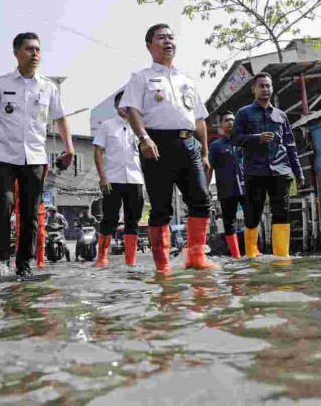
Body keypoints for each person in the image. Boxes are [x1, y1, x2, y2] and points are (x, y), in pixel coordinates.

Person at [0, 32, 74, 277]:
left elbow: (61, 118)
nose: (35, 53)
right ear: (17, 53)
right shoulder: (1, 84)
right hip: (2, 155)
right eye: (29, 49)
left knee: (30, 212)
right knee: (3, 205)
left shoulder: (48, 87)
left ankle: (24, 265)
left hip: (35, 158)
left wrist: (69, 148)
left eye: (38, 49)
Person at [120, 23, 218, 272]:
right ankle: (162, 266)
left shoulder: (187, 81)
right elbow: (133, 111)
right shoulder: (140, 78)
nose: (168, 42)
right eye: (161, 38)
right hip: (156, 144)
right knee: (161, 206)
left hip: (189, 144)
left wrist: (205, 152)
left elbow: (199, 120)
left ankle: (197, 257)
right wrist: (144, 138)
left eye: (171, 37)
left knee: (201, 200)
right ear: (149, 46)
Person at [232, 73, 304, 258]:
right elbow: (235, 139)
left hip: (281, 171)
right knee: (252, 215)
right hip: (255, 172)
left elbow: (290, 145)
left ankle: (282, 257)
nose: (265, 89)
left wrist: (298, 171)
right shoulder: (244, 113)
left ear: (272, 89)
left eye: (268, 86)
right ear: (254, 89)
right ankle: (251, 256)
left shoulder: (281, 115)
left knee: (281, 213)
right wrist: (257, 138)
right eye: (261, 86)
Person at [93, 90, 145, 267]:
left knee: (133, 219)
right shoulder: (106, 126)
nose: (126, 107)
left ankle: (131, 260)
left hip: (135, 179)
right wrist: (102, 178)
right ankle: (102, 258)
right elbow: (98, 152)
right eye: (122, 103)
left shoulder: (140, 127)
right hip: (113, 179)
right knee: (109, 218)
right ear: (116, 106)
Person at [207, 112, 245, 258]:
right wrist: (206, 188)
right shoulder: (216, 146)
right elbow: (209, 168)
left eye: (233, 120)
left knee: (252, 220)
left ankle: (252, 252)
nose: (230, 123)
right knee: (229, 223)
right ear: (221, 124)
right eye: (227, 120)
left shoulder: (243, 142)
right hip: (226, 190)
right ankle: (236, 255)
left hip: (246, 187)